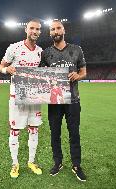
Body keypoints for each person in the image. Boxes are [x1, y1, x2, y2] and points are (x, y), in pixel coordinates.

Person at [40, 20, 87, 181]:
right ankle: (58, 162)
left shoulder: (76, 49)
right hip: (54, 101)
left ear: (64, 30)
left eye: (58, 28)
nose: (55, 31)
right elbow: (40, 75)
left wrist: (77, 75)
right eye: (52, 29)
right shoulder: (46, 53)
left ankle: (76, 165)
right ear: (50, 33)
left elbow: (83, 72)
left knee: (74, 134)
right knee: (55, 134)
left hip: (73, 100)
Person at [0, 19, 43, 178]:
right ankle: (15, 163)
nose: (34, 31)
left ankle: (31, 161)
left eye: (37, 29)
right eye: (32, 28)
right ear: (26, 29)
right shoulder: (14, 47)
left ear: (40, 32)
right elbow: (1, 66)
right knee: (15, 130)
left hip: (34, 96)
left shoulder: (40, 51)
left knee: (34, 129)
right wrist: (6, 70)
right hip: (17, 95)